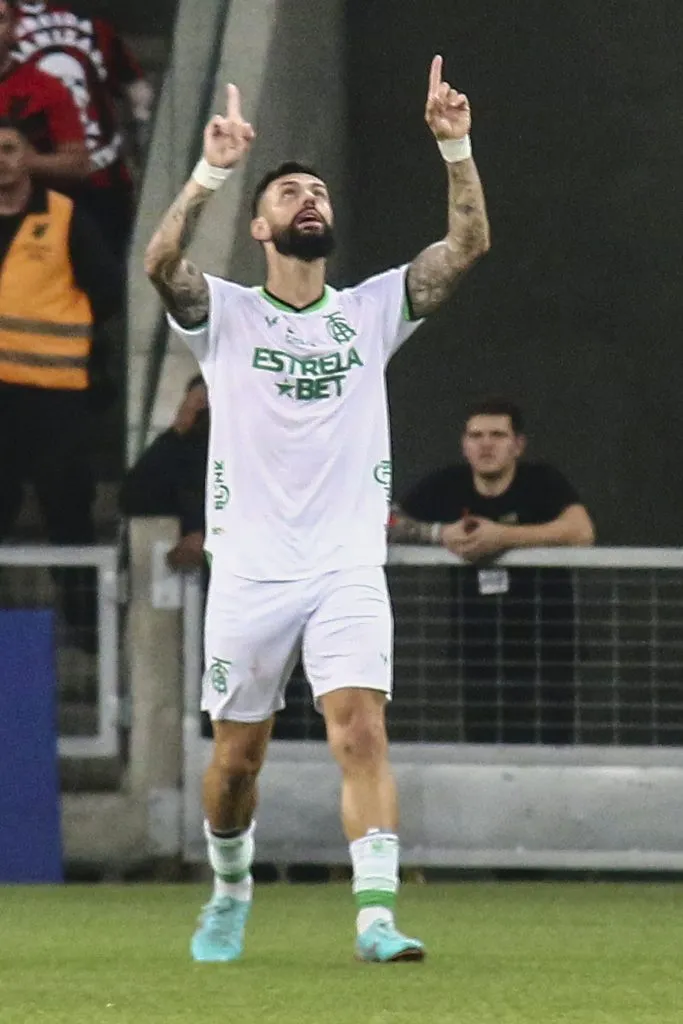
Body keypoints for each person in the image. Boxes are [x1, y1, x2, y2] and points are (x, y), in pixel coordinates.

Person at [145, 57, 490, 963]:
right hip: (250, 570)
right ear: (258, 226)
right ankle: (230, 886)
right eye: (288, 192)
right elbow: (161, 262)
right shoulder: (223, 313)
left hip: (344, 566)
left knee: (361, 729)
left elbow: (465, 250)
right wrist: (213, 170)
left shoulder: (371, 310)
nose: (308, 199)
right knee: (235, 766)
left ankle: (375, 917)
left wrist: (453, 143)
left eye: (318, 191)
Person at [391, 398, 595, 744]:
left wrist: (503, 537)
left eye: (498, 435)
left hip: (547, 645)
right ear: (464, 444)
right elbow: (386, 520)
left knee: (552, 749)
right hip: (479, 646)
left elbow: (582, 531)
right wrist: (440, 534)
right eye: (476, 435)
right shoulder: (447, 484)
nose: (486, 444)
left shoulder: (542, 481)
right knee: (484, 746)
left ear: (518, 445)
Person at [0, 117, 122, 647]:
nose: (2, 159)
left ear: (28, 156)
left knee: (68, 507)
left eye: (9, 148)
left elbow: (109, 292)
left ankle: (85, 625)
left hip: (57, 397)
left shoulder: (65, 217)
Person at [14, 1, 155, 257]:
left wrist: (140, 130)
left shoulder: (93, 24)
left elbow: (134, 87)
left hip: (96, 187)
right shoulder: (90, 23)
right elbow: (136, 89)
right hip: (48, 189)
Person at [120, 375, 209, 572]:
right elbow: (132, 497)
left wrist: (202, 533)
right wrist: (178, 430)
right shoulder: (180, 451)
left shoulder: (247, 450)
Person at [0, 0, 88, 186]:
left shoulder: (46, 88)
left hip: (29, 208)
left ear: (14, 28)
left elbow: (79, 164)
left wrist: (28, 162)